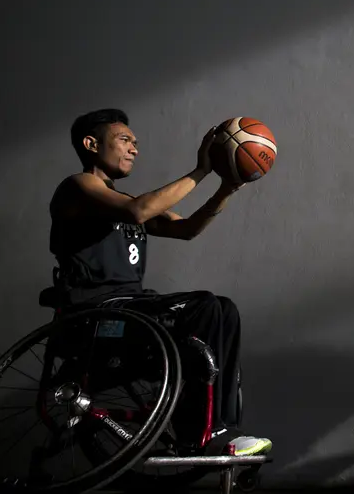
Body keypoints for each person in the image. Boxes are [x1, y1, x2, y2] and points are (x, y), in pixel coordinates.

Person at [48, 108, 272, 457]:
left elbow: (186, 230)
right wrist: (201, 171)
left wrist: (226, 188)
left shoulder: (123, 202)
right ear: (91, 144)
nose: (134, 148)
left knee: (223, 309)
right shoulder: (78, 187)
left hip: (131, 310)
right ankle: (201, 430)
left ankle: (221, 426)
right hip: (95, 315)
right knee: (204, 306)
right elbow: (139, 211)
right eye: (124, 140)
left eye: (135, 143)